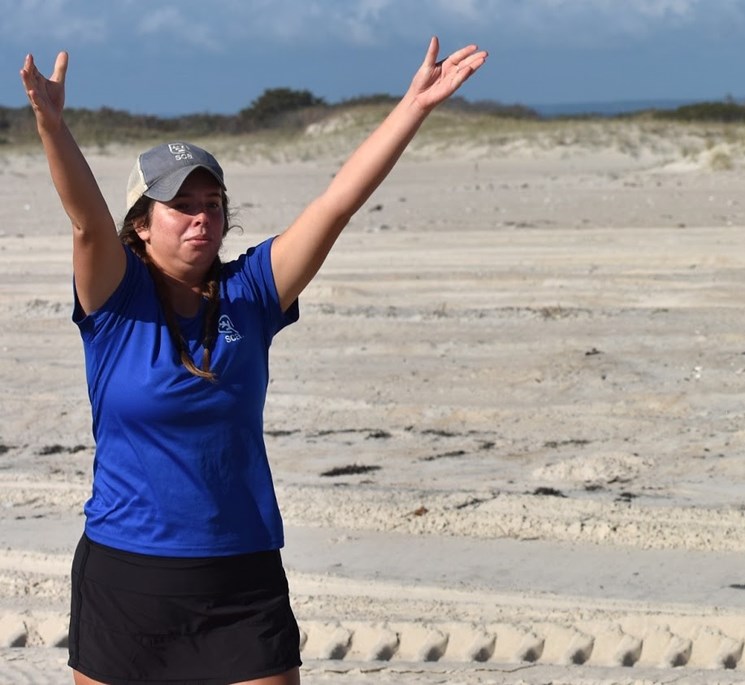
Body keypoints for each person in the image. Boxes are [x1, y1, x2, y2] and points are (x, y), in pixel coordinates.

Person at [20, 36, 487, 684]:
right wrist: (52, 126)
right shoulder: (114, 301)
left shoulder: (252, 293)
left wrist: (414, 106)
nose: (201, 218)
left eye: (212, 205)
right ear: (141, 225)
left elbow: (336, 204)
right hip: (127, 579)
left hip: (240, 577)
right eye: (180, 205)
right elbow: (86, 224)